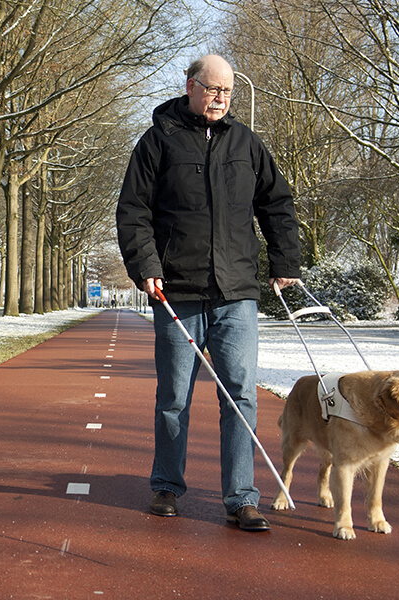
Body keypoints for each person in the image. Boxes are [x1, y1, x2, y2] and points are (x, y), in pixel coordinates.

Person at [116, 55, 300, 531]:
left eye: (228, 92)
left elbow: (276, 203)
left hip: (237, 290)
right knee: (174, 395)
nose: (220, 99)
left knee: (240, 395)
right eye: (213, 89)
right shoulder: (158, 141)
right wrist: (146, 267)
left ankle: (241, 498)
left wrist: (284, 262)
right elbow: (133, 209)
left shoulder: (247, 143)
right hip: (176, 289)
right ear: (191, 85)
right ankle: (166, 487)